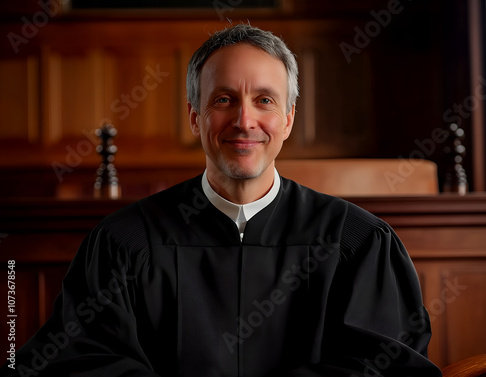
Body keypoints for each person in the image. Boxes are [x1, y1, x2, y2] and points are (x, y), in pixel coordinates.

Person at [2, 24, 442, 377]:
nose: (244, 120)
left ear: (288, 119)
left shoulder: (358, 243)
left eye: (264, 100)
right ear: (196, 117)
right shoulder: (124, 243)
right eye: (224, 100)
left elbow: (385, 362)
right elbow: (85, 359)